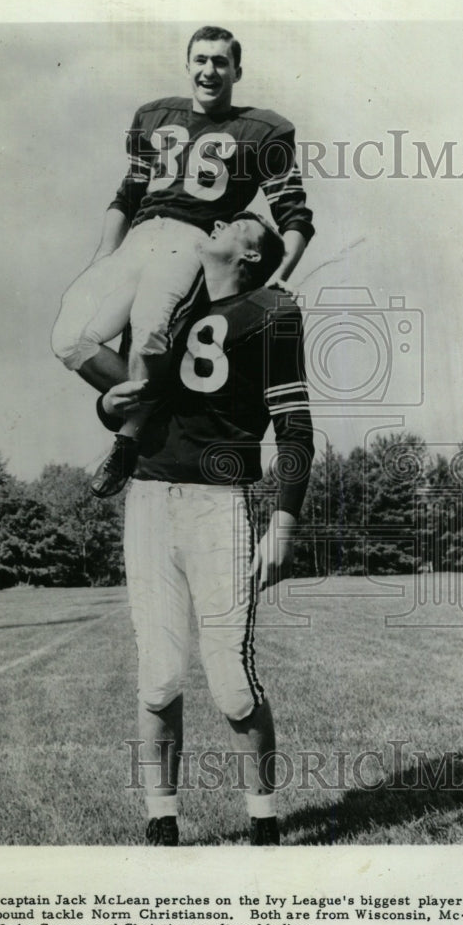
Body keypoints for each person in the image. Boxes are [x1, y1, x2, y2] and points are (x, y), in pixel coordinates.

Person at [97, 211, 314, 845]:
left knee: (233, 685)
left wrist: (284, 521)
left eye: (239, 223)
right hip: (150, 497)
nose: (219, 222)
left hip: (221, 501)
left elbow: (295, 428)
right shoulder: (172, 302)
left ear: (252, 255)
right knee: (159, 675)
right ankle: (160, 819)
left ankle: (264, 823)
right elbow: (134, 400)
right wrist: (106, 405)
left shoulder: (272, 309)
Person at [51, 24, 314, 497]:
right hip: (138, 240)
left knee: (150, 330)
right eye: (201, 60)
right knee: (69, 337)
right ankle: (155, 407)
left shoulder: (262, 129)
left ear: (236, 69)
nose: (209, 70)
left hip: (189, 241)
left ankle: (129, 438)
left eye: (220, 61)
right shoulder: (155, 116)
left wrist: (279, 277)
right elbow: (127, 195)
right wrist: (105, 255)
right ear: (188, 64)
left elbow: (294, 213)